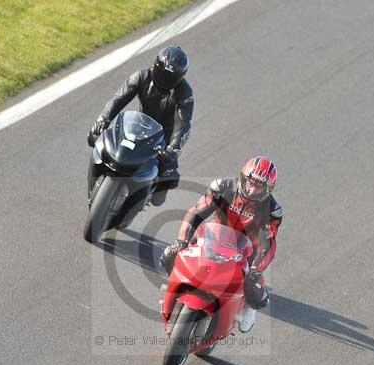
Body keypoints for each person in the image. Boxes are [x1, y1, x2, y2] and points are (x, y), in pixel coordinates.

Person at [160, 156, 282, 332]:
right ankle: (174, 289)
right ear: (243, 177)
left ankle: (246, 309)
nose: (253, 189)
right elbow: (196, 213)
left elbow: (268, 241)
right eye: (251, 182)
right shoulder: (222, 188)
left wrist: (256, 268)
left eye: (259, 186)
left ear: (268, 188)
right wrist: (182, 241)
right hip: (213, 239)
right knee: (169, 255)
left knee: (257, 296)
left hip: (246, 252)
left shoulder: (272, 209)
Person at [89, 46, 193, 206]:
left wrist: (173, 148)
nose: (164, 81)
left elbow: (183, 124)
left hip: (165, 136)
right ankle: (96, 181)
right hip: (138, 124)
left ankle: (149, 190)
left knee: (166, 179)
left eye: (170, 78)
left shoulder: (184, 93)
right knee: (95, 137)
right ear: (156, 66)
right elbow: (118, 99)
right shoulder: (141, 77)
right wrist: (103, 119)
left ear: (180, 77)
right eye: (163, 74)